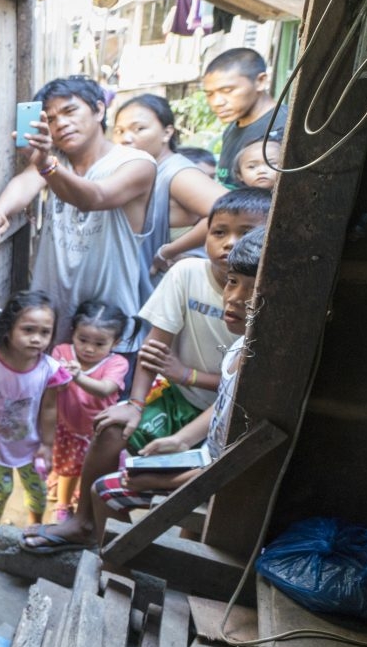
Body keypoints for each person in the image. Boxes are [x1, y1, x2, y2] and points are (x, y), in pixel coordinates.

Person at [24, 188, 271, 551]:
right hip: (182, 400)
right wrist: (135, 404)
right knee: (112, 426)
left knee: (180, 495)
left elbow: (239, 387)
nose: (230, 243)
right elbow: (155, 351)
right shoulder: (188, 273)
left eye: (245, 233)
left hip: (223, 413)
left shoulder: (264, 306)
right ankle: (84, 524)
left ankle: (143, 548)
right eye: (219, 231)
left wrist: (186, 374)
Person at [82, 227, 265, 514]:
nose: (235, 298)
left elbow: (235, 463)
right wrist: (181, 440)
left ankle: (116, 560)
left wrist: (169, 482)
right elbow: (224, 406)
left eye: (253, 289)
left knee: (105, 491)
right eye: (232, 282)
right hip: (208, 460)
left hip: (223, 479)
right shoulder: (241, 345)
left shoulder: (260, 366)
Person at [0, 76, 157, 349]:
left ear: (99, 110)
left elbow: (94, 197)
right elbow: (25, 182)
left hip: (106, 328)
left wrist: (45, 163)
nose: (61, 124)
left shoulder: (137, 163)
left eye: (70, 111)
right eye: (52, 118)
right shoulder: (57, 161)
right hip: (52, 325)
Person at [0, 291, 73, 530]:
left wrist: (47, 445)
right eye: (28, 330)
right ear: (8, 328)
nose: (37, 339)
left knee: (38, 492)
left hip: (32, 447)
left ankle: (35, 527)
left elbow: (48, 409)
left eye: (45, 332)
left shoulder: (49, 370)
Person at [109, 93, 227, 275]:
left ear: (167, 133)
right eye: (119, 131)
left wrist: (168, 252)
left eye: (139, 129)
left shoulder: (177, 173)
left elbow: (229, 213)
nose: (126, 138)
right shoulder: (141, 170)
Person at [49, 301, 131, 523]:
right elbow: (55, 387)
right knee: (67, 469)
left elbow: (105, 389)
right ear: (73, 332)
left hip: (98, 433)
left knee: (91, 471)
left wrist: (77, 376)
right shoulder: (62, 352)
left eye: (99, 343)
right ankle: (63, 504)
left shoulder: (118, 363)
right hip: (68, 427)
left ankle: (81, 500)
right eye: (82, 340)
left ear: (116, 342)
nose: (89, 348)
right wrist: (64, 377)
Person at [203, 47, 287, 187]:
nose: (217, 102)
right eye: (210, 94)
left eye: (227, 91)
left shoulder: (285, 125)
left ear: (260, 81)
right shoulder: (232, 128)